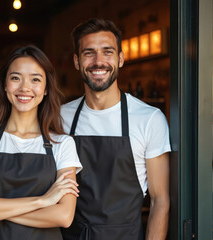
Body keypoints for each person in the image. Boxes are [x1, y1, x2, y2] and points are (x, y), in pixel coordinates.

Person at [60, 18, 171, 240]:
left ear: (120, 59)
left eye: (107, 52)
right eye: (89, 53)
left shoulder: (149, 119)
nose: (98, 61)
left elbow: (160, 201)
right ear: (76, 61)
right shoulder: (60, 116)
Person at [0, 45, 83, 240]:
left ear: (46, 89)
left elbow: (64, 216)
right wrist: (42, 201)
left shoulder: (63, 143)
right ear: (5, 84)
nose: (25, 87)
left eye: (35, 79)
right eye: (16, 78)